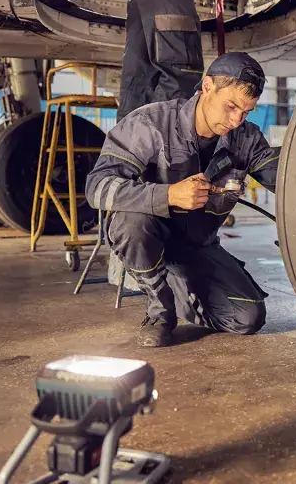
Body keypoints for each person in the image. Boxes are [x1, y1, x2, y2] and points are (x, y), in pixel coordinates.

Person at [86, 52, 280, 347]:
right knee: (132, 219)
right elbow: (97, 187)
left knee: (247, 318)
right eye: (231, 106)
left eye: (246, 111)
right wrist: (167, 195)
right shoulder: (150, 123)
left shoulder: (246, 138)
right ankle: (159, 306)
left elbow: (287, 179)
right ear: (208, 86)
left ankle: (175, 282)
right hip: (149, 237)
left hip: (197, 246)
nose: (236, 119)